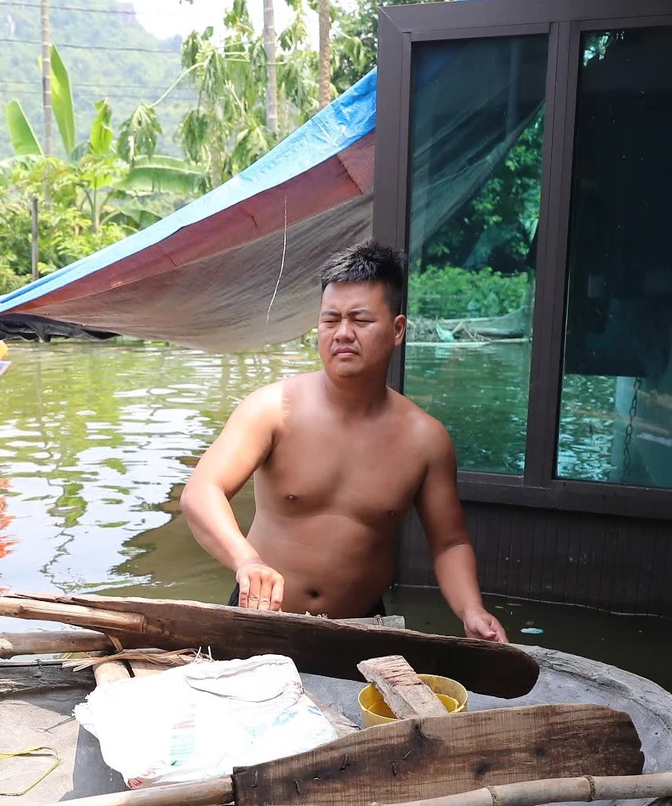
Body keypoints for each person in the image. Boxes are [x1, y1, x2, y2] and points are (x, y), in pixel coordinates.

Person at [179, 241, 508, 641]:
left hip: (362, 628)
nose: (343, 334)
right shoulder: (272, 408)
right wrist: (246, 560)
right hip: (260, 618)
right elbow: (201, 491)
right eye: (330, 320)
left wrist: (471, 609)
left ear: (397, 329)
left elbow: (450, 543)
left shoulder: (425, 439)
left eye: (360, 320)